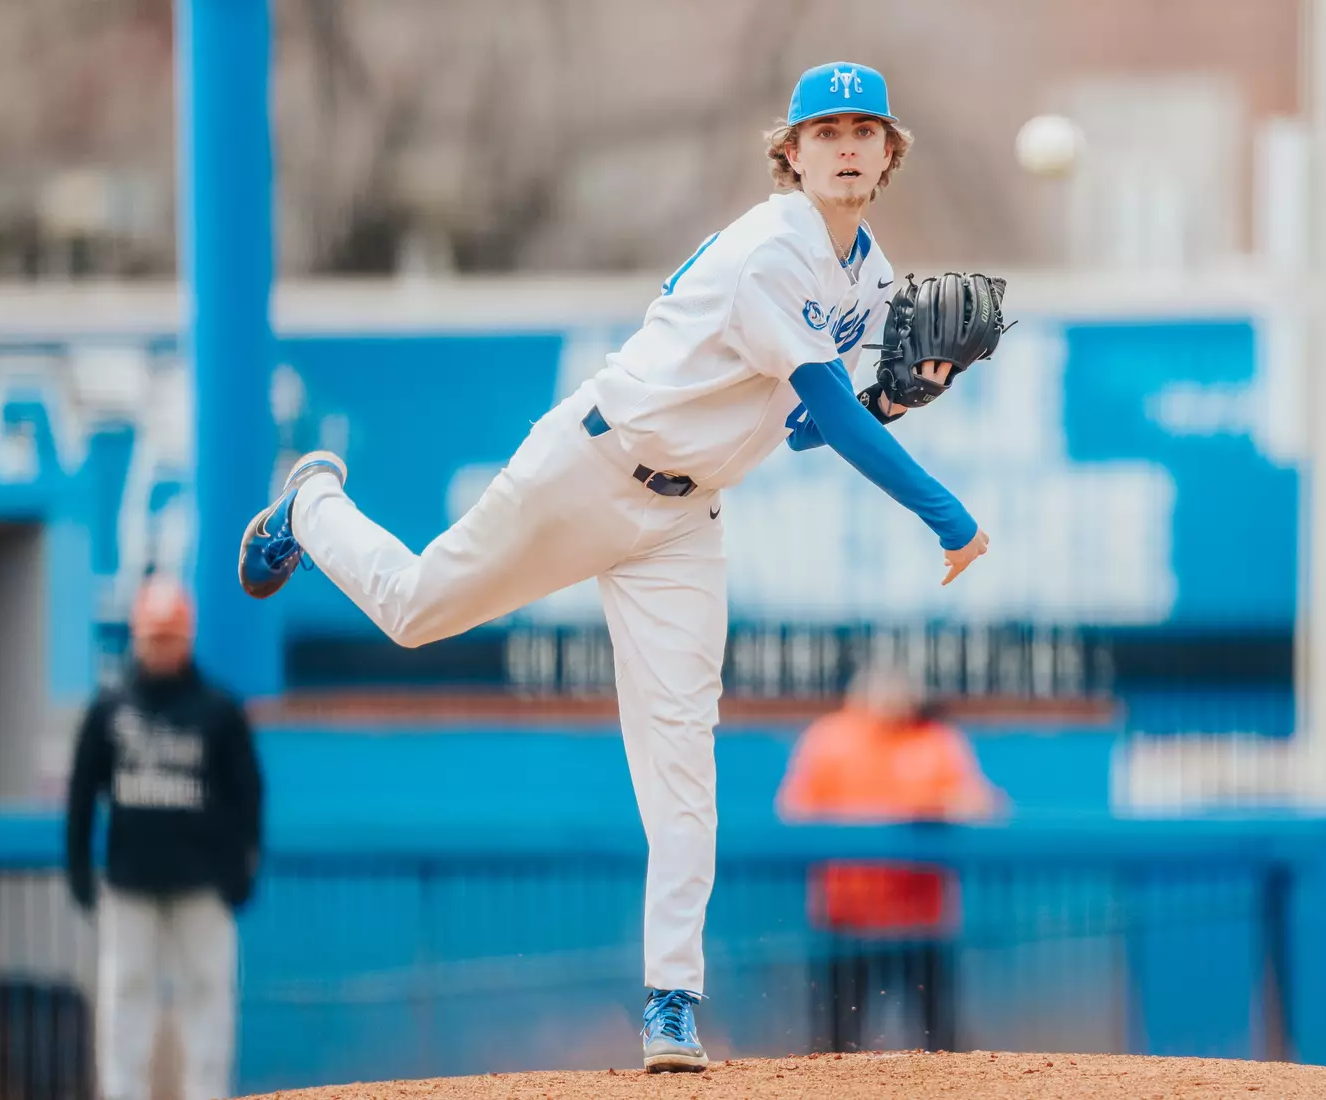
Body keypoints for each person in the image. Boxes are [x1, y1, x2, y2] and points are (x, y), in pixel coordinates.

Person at [236, 61, 995, 1073]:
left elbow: (812, 427)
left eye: (865, 128)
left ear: (891, 151)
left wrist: (905, 395)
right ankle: (313, 504)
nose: (847, 143)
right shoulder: (774, 248)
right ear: (792, 152)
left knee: (684, 766)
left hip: (683, 523)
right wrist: (945, 514)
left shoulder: (869, 273)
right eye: (826, 130)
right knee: (416, 609)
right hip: (591, 466)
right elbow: (837, 412)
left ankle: (671, 1002)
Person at [65, 576, 264, 1100]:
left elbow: (248, 794)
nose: (160, 648)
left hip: (201, 884)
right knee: (125, 1000)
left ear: (188, 637)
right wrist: (79, 868)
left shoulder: (218, 711)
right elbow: (83, 791)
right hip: (129, 883)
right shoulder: (110, 708)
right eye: (152, 637)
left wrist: (243, 866)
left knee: (208, 1000)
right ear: (136, 637)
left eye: (169, 637)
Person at [776, 656, 1002, 1053]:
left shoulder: (934, 739)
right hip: (846, 921)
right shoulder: (831, 738)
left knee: (940, 1042)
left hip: (922, 923)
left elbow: (982, 805)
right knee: (834, 1042)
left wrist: (936, 808)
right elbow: (795, 812)